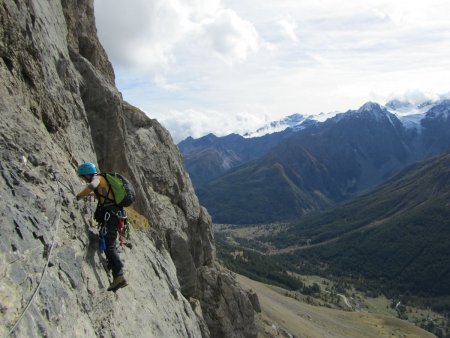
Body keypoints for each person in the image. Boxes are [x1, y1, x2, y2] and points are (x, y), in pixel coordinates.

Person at [76, 162, 128, 291]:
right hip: (115, 214)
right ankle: (112, 265)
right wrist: (91, 195)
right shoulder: (103, 179)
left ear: (87, 174)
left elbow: (92, 186)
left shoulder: (97, 178)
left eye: (83, 177)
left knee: (109, 245)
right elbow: (103, 195)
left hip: (110, 215)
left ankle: (119, 275)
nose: (83, 179)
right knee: (109, 242)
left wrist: (79, 195)